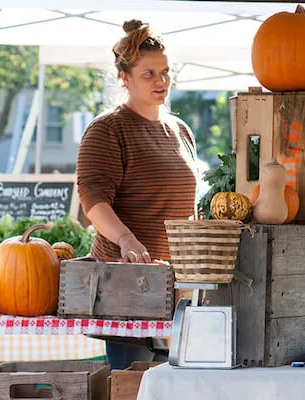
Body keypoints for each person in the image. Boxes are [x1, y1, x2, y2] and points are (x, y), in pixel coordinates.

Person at [76, 20, 197, 369]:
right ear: (124, 78)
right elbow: (93, 199)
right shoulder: (107, 129)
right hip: (127, 285)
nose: (162, 81)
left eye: (166, 72)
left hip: (175, 287)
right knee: (131, 384)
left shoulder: (181, 130)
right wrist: (126, 239)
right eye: (149, 74)